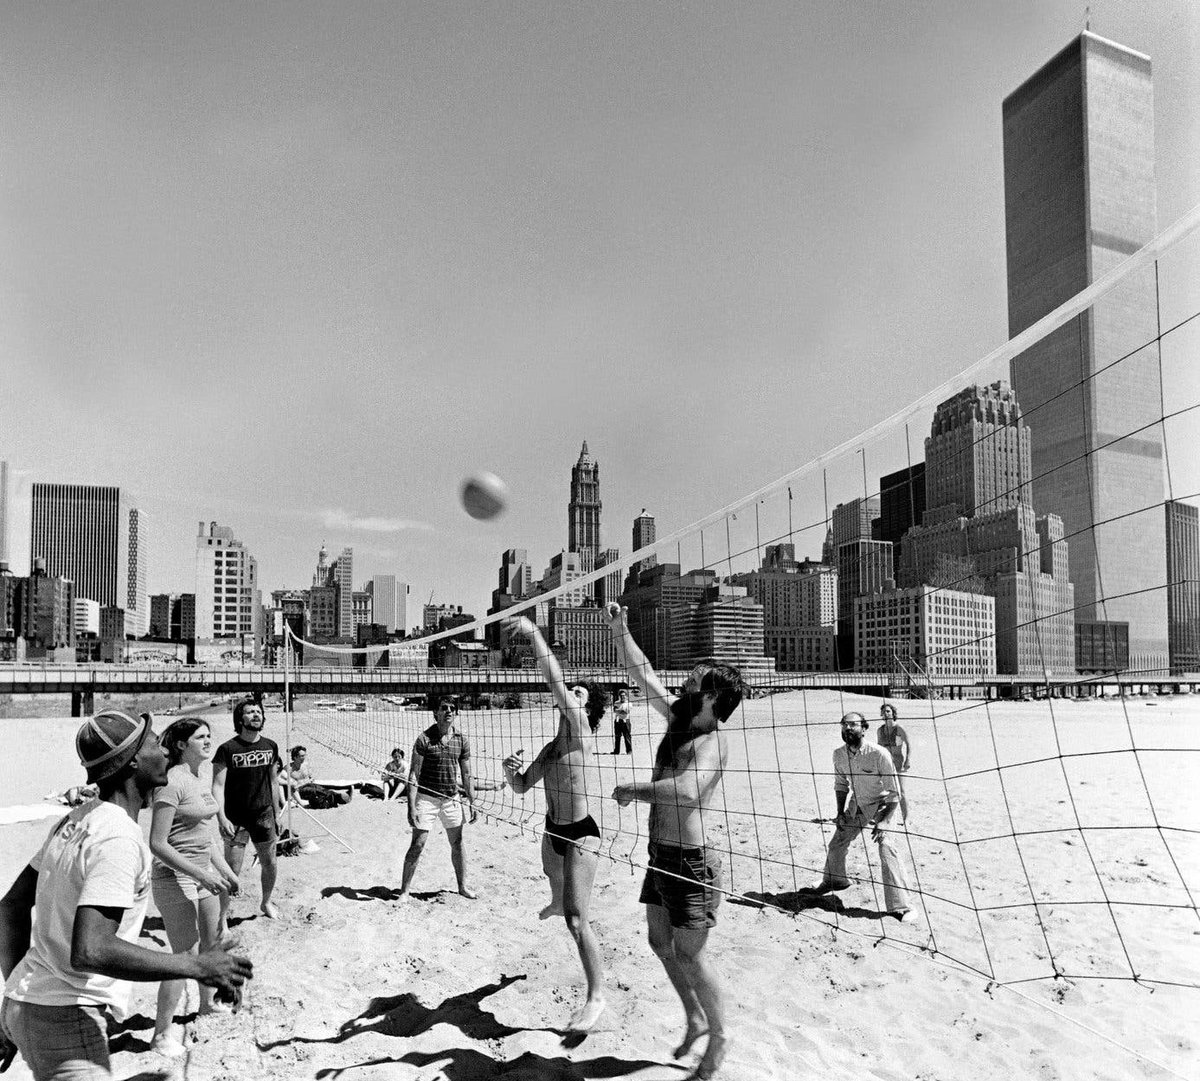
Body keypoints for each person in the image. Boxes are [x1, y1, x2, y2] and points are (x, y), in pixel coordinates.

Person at [0, 710, 252, 1081]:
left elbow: (11, 905)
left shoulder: (77, 819)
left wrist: (23, 990)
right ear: (131, 759)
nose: (165, 752)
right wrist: (196, 965)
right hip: (67, 1017)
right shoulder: (118, 836)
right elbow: (91, 949)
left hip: (27, 1003)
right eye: (153, 743)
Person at [606, 602, 745, 1081]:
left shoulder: (713, 741)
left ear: (712, 696)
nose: (688, 679)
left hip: (692, 861)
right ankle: (696, 1017)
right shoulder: (680, 718)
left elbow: (687, 790)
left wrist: (635, 788)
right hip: (660, 855)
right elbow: (643, 675)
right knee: (659, 941)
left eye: (697, 678)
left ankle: (720, 1036)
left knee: (690, 953)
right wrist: (621, 630)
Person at [502, 615, 609, 1033]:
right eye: (572, 691)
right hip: (553, 829)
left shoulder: (580, 729)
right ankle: (554, 895)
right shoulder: (551, 747)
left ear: (587, 708)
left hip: (583, 833)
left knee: (577, 920)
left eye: (578, 693)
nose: (570, 694)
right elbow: (522, 787)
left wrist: (532, 634)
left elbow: (554, 680)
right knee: (550, 868)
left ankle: (596, 994)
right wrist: (510, 772)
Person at [149, 719, 241, 1056]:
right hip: (174, 876)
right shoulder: (170, 782)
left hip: (204, 874)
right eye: (200, 737)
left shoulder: (198, 778)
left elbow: (205, 837)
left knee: (212, 942)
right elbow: (158, 844)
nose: (208, 741)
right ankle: (160, 1034)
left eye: (208, 736)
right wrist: (200, 875)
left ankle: (205, 1004)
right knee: (183, 956)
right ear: (181, 745)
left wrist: (225, 870)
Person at [801, 712, 915, 923]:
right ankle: (836, 880)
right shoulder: (838, 755)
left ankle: (902, 906)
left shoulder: (879, 754)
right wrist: (839, 813)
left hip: (884, 803)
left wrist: (883, 821)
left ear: (864, 728)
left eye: (853, 724)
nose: (848, 728)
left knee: (886, 846)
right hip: (859, 803)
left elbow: (894, 792)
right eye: (844, 724)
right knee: (838, 839)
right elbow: (841, 785)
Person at [398, 699, 478, 899]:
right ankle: (404, 892)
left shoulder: (461, 739)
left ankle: (462, 887)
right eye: (444, 708)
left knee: (457, 843)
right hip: (427, 798)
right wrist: (411, 808)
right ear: (436, 713)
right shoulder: (424, 739)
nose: (449, 711)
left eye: (452, 709)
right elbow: (414, 775)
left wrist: (472, 801)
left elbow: (467, 774)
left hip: (451, 798)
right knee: (418, 844)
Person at [212, 700, 284, 921]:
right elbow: (217, 785)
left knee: (269, 862)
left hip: (263, 814)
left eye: (259, 712)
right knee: (231, 870)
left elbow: (273, 781)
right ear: (240, 719)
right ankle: (222, 914)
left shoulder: (270, 746)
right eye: (250, 712)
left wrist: (276, 811)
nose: (256, 715)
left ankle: (266, 902)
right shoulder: (227, 749)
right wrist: (221, 817)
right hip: (235, 817)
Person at [876, 703, 910, 824]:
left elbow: (908, 744)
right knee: (886, 790)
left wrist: (908, 759)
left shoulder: (899, 728)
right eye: (884, 712)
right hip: (885, 763)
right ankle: (886, 816)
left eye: (888, 711)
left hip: (898, 762)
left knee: (901, 791)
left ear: (893, 713)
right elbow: (879, 748)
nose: (886, 714)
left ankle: (906, 818)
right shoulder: (880, 730)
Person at [611, 688, 633, 755]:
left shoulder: (629, 703)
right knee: (617, 736)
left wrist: (619, 711)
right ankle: (616, 751)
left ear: (626, 696)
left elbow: (626, 712)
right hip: (618, 721)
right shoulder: (616, 702)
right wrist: (621, 711)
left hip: (626, 721)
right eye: (621, 695)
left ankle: (629, 751)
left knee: (627, 737)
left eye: (623, 695)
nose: (622, 697)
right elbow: (614, 710)